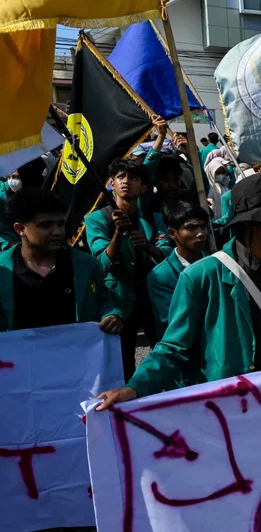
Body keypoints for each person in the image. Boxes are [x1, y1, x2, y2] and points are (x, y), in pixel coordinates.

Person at [95, 173, 261, 408]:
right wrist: (134, 388)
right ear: (254, 221)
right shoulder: (200, 276)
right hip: (225, 404)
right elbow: (173, 346)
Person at [0, 188, 123, 532]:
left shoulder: (84, 265)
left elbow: (109, 298)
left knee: (80, 440)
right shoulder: (2, 271)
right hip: (21, 385)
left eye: (60, 223)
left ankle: (81, 508)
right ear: (20, 228)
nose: (57, 231)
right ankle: (47, 521)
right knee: (32, 446)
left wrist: (113, 313)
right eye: (45, 225)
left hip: (77, 377)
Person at [85, 158, 173, 380]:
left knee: (165, 349)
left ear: (143, 187)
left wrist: (148, 246)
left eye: (133, 178)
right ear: (111, 184)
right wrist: (117, 233)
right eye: (120, 177)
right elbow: (102, 261)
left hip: (152, 295)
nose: (126, 181)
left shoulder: (153, 218)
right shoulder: (97, 219)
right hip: (118, 298)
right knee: (122, 360)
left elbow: (167, 252)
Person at [147, 201, 210, 337]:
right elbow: (172, 322)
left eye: (203, 226)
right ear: (172, 233)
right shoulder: (161, 276)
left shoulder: (217, 265)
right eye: (191, 228)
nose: (201, 233)